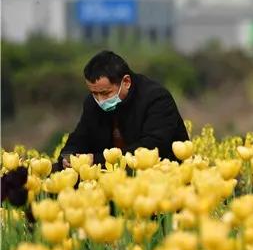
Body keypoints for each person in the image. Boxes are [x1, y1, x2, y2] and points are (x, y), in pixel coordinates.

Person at [58, 50, 189, 167]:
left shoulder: (156, 98)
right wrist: (68, 157)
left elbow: (152, 146)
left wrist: (97, 160)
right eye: (94, 93)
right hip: (112, 174)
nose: (100, 100)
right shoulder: (92, 103)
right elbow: (80, 136)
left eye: (105, 93)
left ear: (126, 82)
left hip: (162, 172)